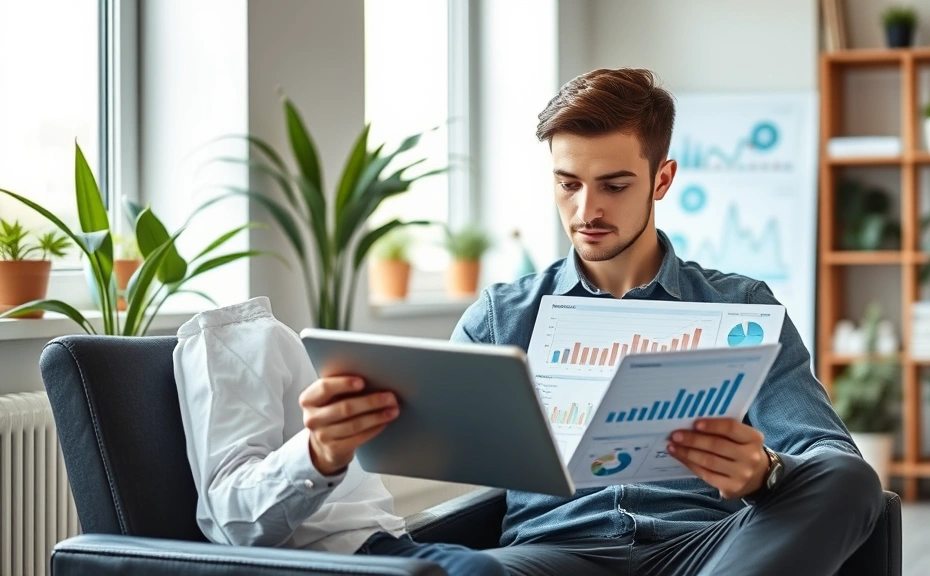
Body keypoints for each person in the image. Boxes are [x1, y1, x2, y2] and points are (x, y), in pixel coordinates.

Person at [438, 67, 884, 575]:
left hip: (704, 552)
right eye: (569, 184)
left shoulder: (740, 307)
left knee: (852, 481)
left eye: (614, 185)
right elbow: (439, 439)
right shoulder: (502, 318)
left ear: (662, 180)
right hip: (556, 551)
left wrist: (766, 471)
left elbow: (828, 453)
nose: (588, 210)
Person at [172, 297, 506, 576]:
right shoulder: (232, 341)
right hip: (330, 558)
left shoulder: (283, 344)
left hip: (383, 543)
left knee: (478, 567)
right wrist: (317, 455)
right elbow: (236, 523)